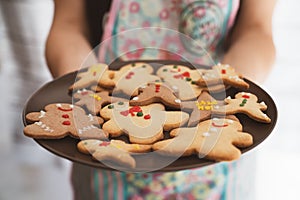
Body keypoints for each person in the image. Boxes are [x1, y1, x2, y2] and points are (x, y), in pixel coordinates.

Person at [45, 0, 276, 199]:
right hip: (105, 166)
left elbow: (256, 28)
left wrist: (227, 90)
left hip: (218, 158)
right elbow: (68, 25)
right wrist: (87, 90)